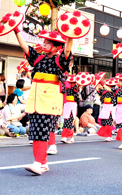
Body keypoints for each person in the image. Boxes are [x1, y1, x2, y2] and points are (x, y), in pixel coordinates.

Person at [12, 27, 75, 175]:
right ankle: (43, 163)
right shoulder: (39, 58)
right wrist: (16, 31)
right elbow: (24, 47)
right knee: (35, 133)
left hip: (49, 101)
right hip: (35, 100)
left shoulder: (59, 60)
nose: (44, 44)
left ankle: (38, 163)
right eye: (44, 41)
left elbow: (67, 51)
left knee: (42, 132)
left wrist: (70, 35)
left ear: (56, 47)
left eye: (48, 42)